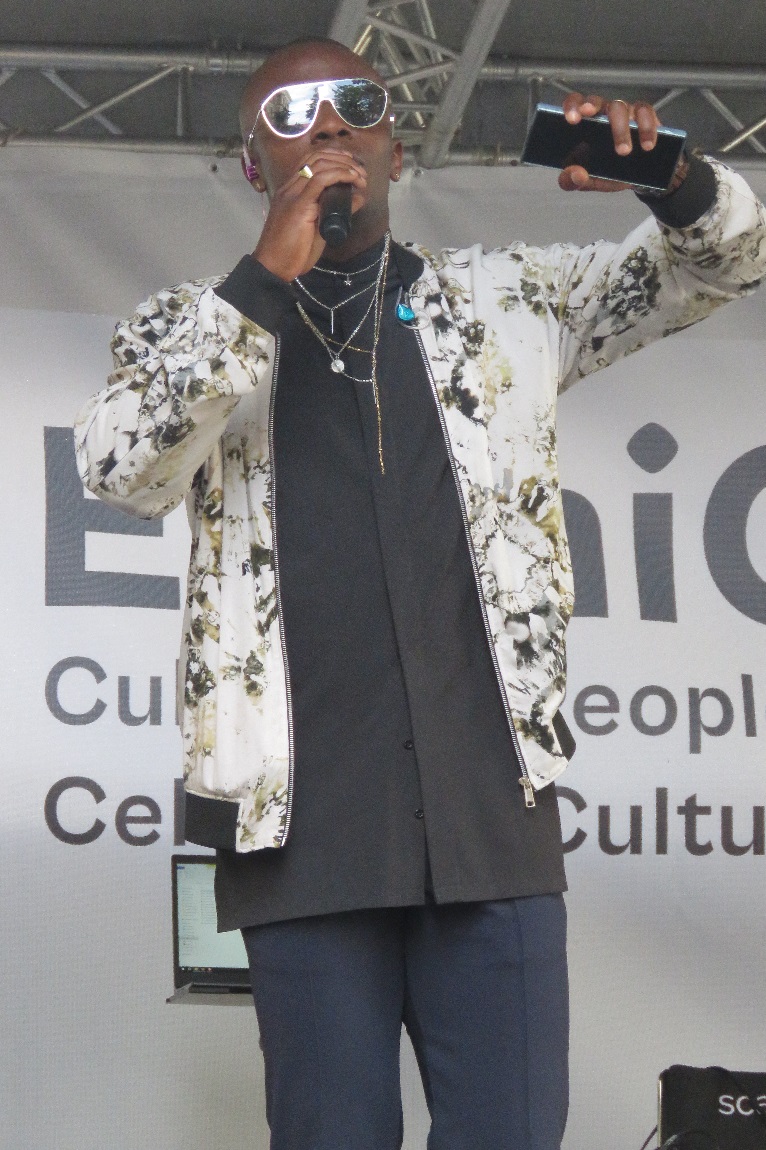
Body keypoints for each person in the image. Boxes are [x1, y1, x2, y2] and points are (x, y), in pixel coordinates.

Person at [74, 37, 766, 1150]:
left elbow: (726, 261)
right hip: (303, 839)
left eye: (356, 101)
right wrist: (261, 282)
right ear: (254, 166)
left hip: (490, 819)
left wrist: (672, 178)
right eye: (291, 113)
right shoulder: (187, 327)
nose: (328, 124)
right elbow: (120, 468)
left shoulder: (509, 300)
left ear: (394, 146)